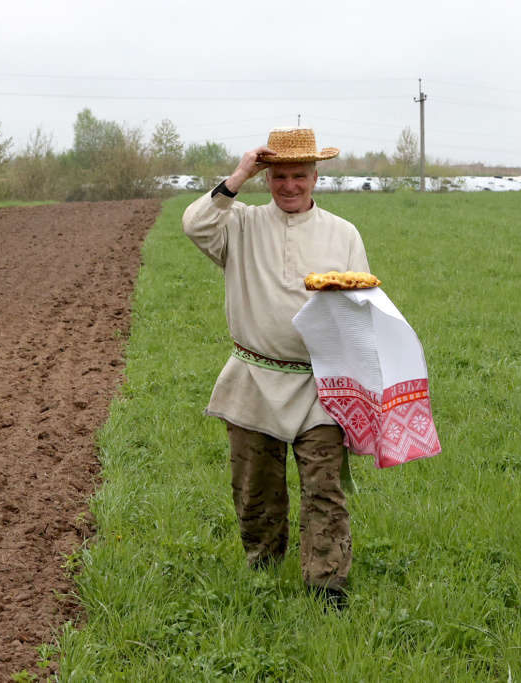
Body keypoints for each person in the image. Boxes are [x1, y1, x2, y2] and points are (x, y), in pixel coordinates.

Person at [182, 127, 370, 602]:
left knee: (324, 488)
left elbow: (362, 304)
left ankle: (327, 584)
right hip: (253, 378)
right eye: (279, 175)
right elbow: (194, 225)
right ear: (267, 178)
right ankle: (263, 567)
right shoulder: (240, 226)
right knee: (256, 490)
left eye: (300, 176)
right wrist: (240, 173)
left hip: (319, 383)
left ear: (315, 178)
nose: (290, 185)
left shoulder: (343, 234)